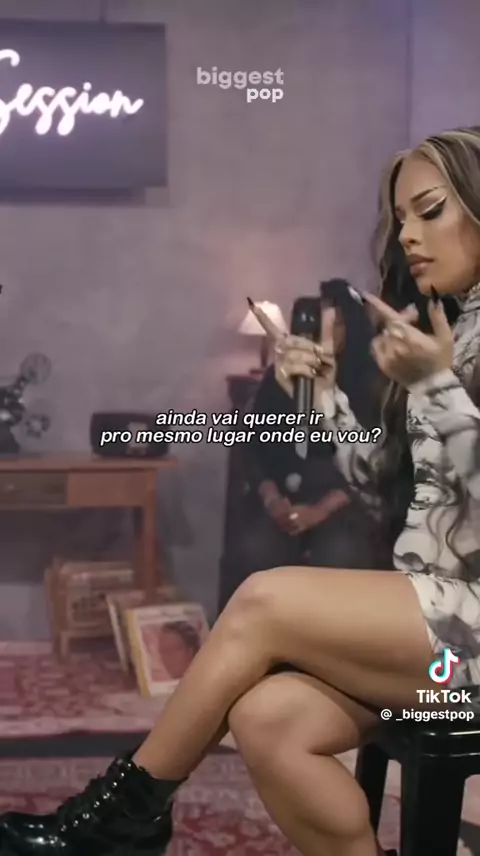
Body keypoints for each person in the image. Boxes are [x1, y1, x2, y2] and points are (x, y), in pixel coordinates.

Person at [2, 125, 480, 856]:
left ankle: (121, 819)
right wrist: (327, 395)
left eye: (431, 210)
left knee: (263, 598)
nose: (409, 235)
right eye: (400, 218)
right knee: (266, 718)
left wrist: (438, 387)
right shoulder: (455, 327)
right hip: (435, 639)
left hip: (464, 647)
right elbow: (381, 484)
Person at [219, 279, 387, 611]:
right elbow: (253, 445)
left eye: (337, 324)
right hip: (285, 500)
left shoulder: (370, 380)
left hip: (342, 503)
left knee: (338, 556)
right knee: (254, 552)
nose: (327, 333)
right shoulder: (281, 373)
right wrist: (272, 499)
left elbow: (376, 462)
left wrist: (320, 510)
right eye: (321, 322)